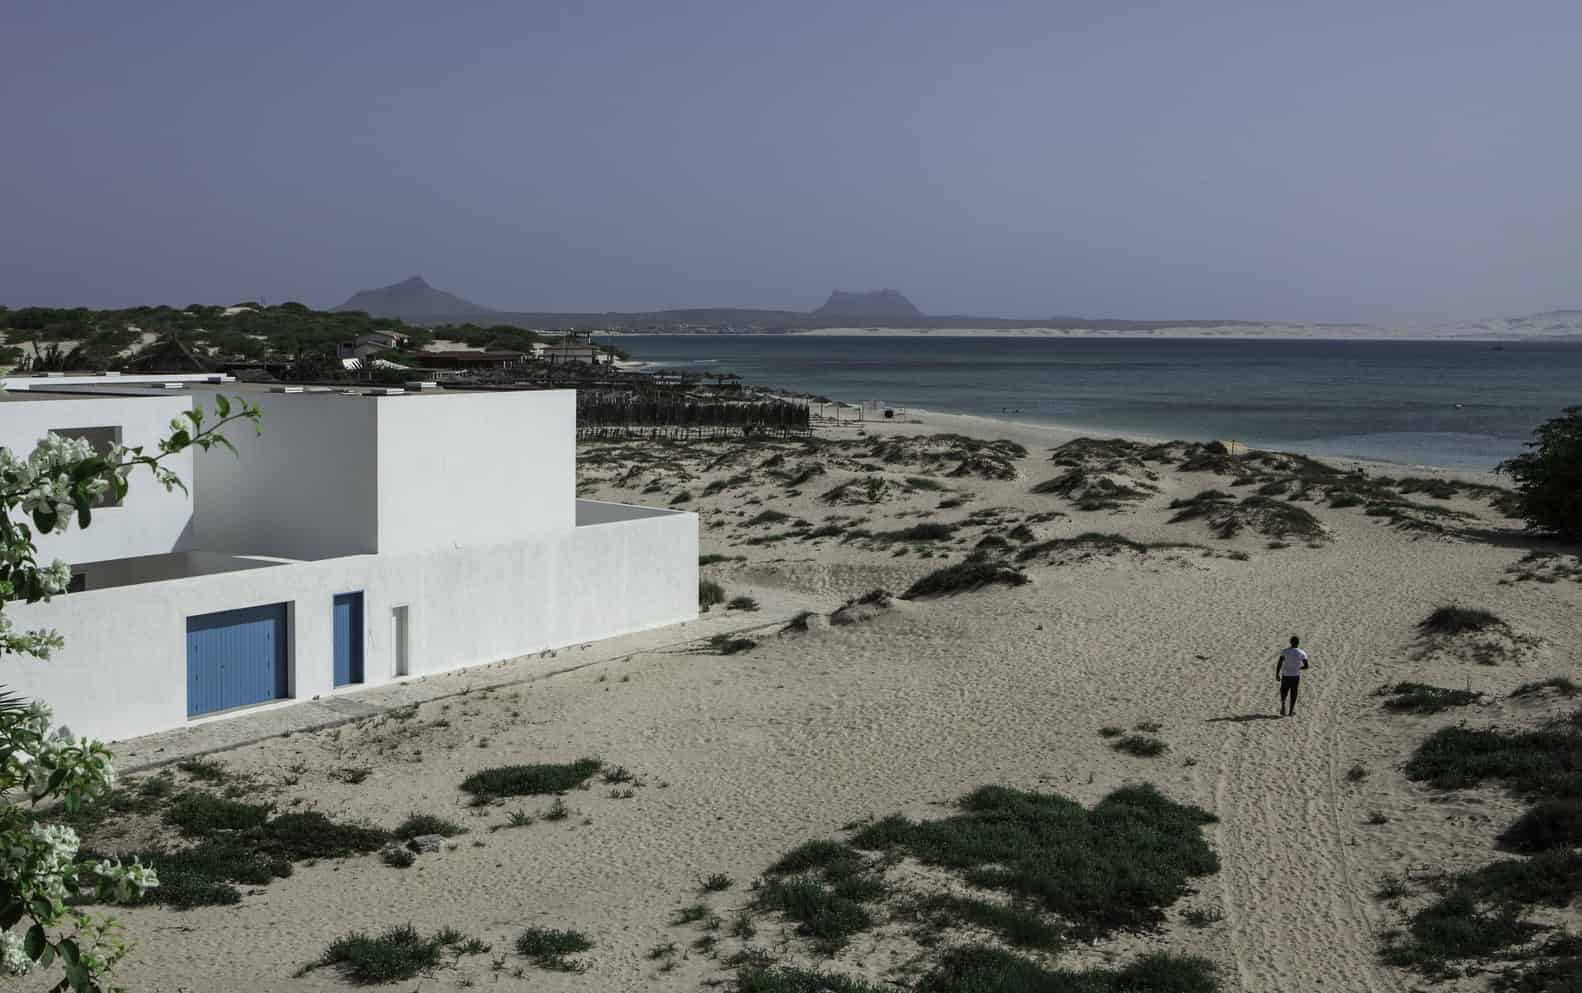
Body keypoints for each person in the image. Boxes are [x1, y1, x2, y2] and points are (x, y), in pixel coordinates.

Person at [1275, 635, 1309, 716]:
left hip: (1285, 675)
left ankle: (1283, 705)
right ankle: (1291, 711)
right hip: (1295, 676)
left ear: (1290, 642)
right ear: (1298, 643)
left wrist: (1277, 674)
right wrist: (1298, 668)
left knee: (1283, 690)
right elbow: (1306, 666)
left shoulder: (1284, 651)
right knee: (1294, 692)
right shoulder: (1302, 653)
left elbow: (1279, 663)